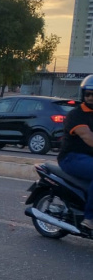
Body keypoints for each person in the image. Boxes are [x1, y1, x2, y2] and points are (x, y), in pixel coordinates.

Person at [57, 75, 93, 230]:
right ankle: (90, 218)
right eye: (88, 94)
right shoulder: (76, 115)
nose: (91, 97)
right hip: (71, 158)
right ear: (83, 94)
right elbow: (88, 137)